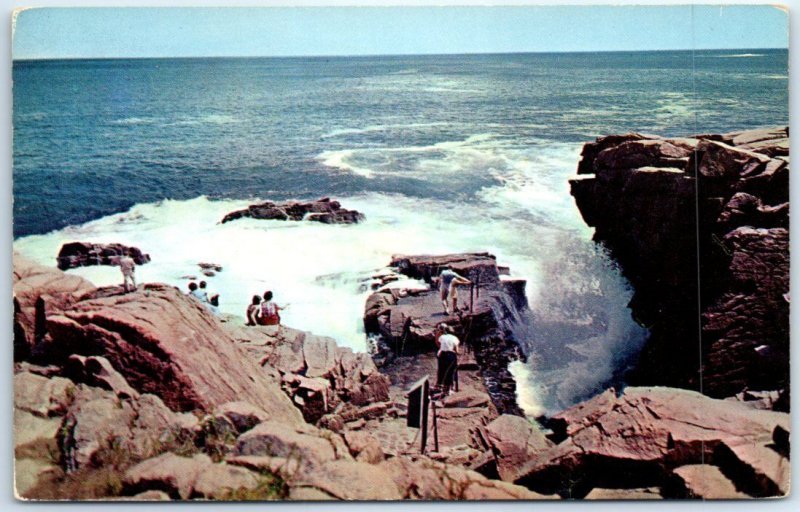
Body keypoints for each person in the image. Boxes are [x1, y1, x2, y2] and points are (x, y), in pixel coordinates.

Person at [435, 323, 460, 396]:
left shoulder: (442, 337)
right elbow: (457, 351)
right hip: (451, 355)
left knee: (441, 370)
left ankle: (440, 386)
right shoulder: (455, 338)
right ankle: (448, 389)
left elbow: (437, 343)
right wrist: (457, 353)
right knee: (450, 371)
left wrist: (438, 333)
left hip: (442, 354)